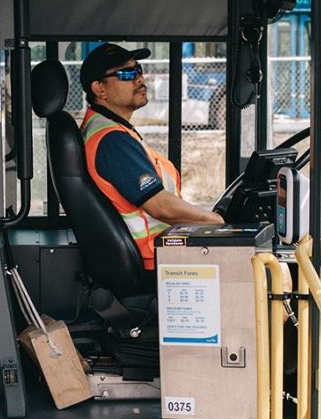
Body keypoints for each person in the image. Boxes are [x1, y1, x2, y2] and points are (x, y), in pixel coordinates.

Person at [79, 43, 224, 272]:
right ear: (99, 89)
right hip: (155, 259)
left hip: (163, 251)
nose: (139, 79)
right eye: (126, 74)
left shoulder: (113, 129)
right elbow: (162, 208)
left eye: (139, 70)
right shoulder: (112, 140)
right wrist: (216, 222)